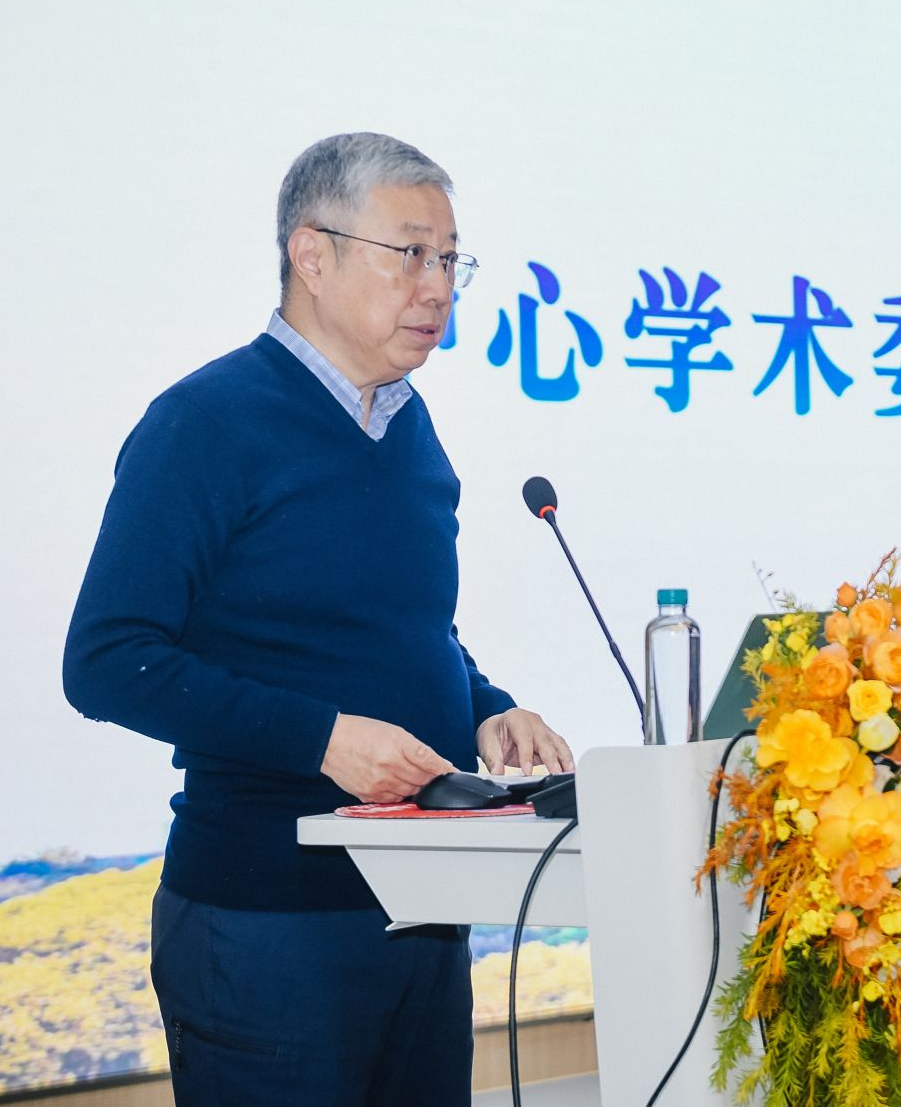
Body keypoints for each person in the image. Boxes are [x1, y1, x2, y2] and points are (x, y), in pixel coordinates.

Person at [63, 132, 571, 1105]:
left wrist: (487, 708)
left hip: (422, 905)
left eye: (451, 259)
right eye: (410, 253)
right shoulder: (206, 421)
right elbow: (107, 659)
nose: (438, 286)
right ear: (312, 254)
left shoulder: (409, 425)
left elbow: (403, 630)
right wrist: (323, 739)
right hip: (267, 918)